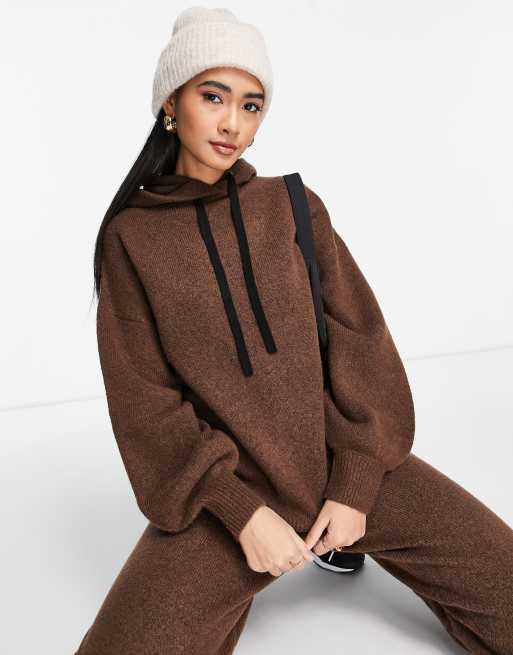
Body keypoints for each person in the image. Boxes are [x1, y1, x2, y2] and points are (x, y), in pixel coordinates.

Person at [74, 7, 513, 654]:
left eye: (250, 106)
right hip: (231, 496)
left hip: (343, 468)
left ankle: (341, 539)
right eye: (213, 96)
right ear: (170, 102)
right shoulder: (131, 239)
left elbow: (360, 340)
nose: (232, 122)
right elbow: (146, 403)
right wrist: (240, 513)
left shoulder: (292, 205)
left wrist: (355, 483)